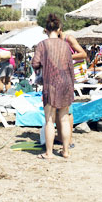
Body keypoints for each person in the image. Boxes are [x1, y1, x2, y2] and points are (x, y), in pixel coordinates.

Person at [31, 13, 75, 160]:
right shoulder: (66, 45)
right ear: (60, 28)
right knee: (63, 119)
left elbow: (35, 64)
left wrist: (45, 63)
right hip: (67, 83)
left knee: (49, 119)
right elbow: (70, 66)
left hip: (51, 84)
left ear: (45, 30)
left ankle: (49, 153)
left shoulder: (42, 45)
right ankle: (66, 151)